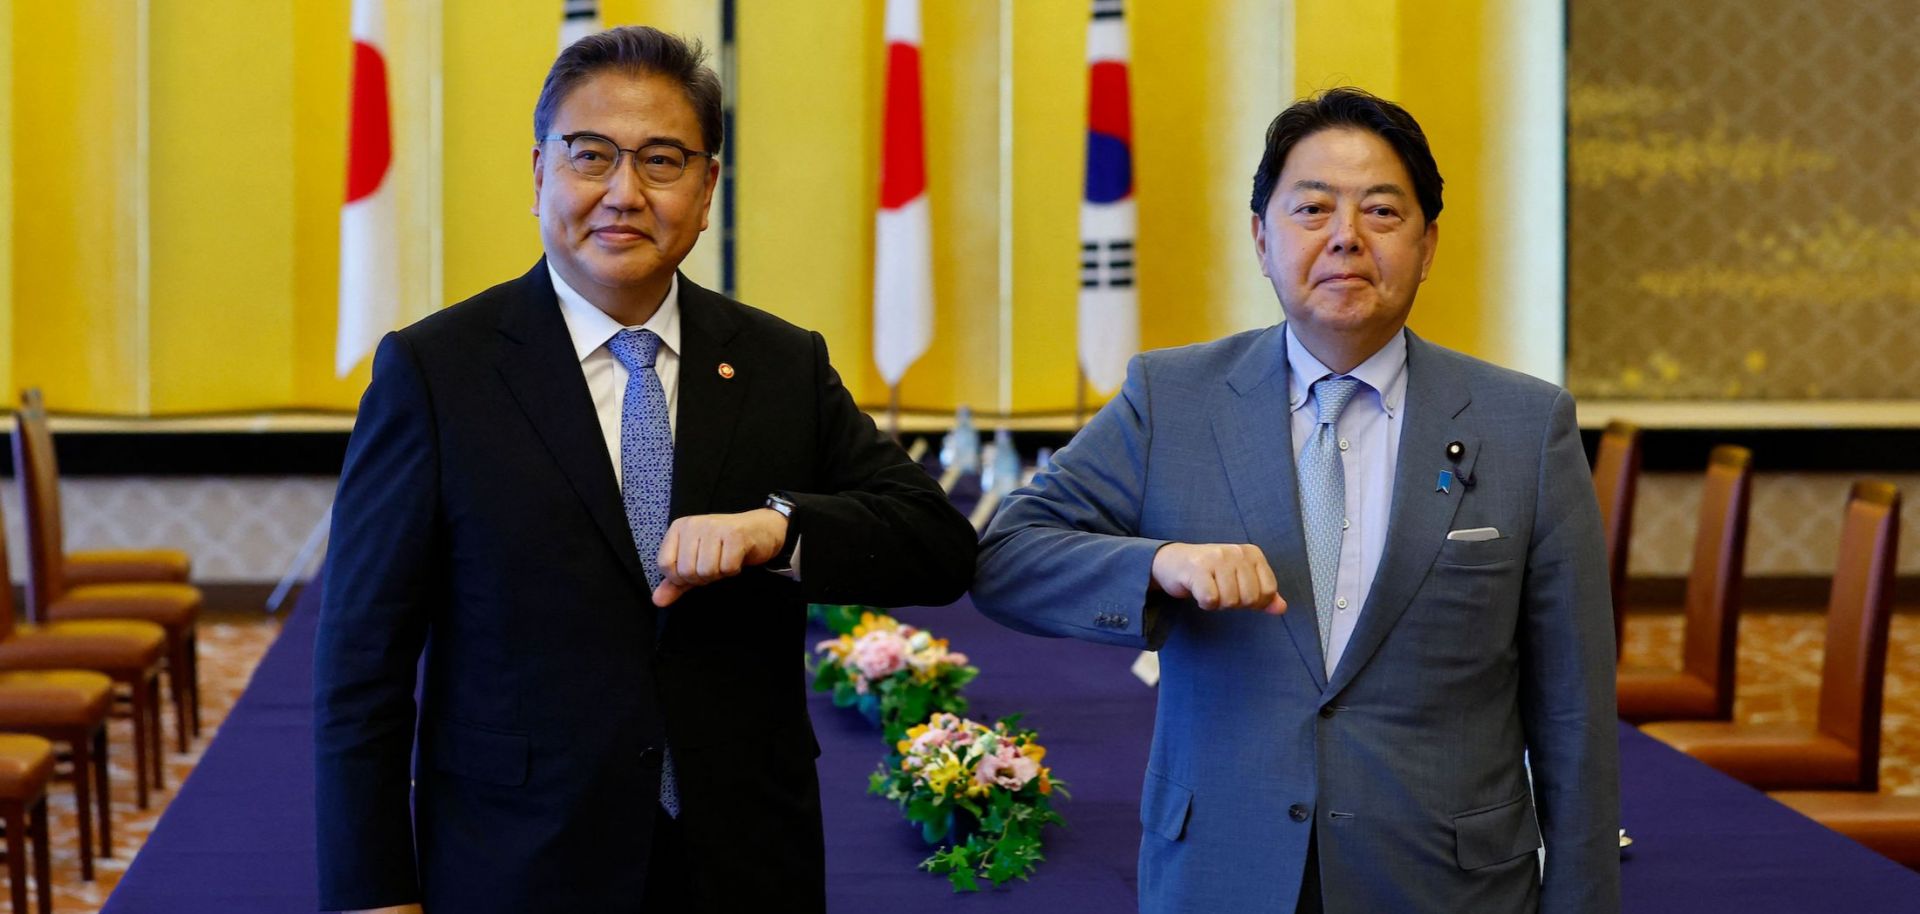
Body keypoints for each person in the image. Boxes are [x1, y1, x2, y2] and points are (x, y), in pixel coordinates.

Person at [313, 26, 975, 914]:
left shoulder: (779, 363)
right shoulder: (438, 373)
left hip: (743, 856)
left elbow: (936, 545)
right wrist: (372, 894)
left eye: (662, 161)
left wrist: (777, 528)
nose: (623, 193)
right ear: (540, 171)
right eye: (591, 156)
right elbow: (362, 663)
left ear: (706, 191)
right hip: (519, 857)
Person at [973, 87, 1618, 913]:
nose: (1345, 237)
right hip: (1221, 870)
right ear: (1261, 238)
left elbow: (1575, 715)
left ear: (1427, 245)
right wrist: (1162, 564)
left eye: (1382, 211)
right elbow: (1007, 557)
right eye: (1312, 208)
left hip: (1447, 884)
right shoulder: (1171, 399)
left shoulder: (1525, 426)